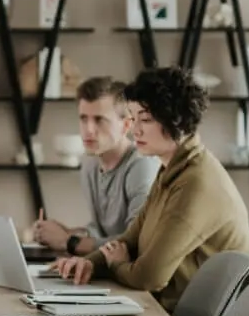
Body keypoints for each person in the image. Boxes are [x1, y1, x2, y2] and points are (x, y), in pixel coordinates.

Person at [57, 66, 249, 311]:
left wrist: (117, 264)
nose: (135, 129)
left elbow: (149, 277)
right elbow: (130, 239)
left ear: (176, 121)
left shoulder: (196, 183)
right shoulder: (173, 169)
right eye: (133, 117)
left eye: (146, 119)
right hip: (168, 308)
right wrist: (90, 263)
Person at [31, 76, 159, 255]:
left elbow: (135, 242)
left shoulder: (142, 166)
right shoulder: (90, 165)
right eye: (83, 119)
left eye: (99, 120)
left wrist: (67, 241)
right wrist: (66, 232)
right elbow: (104, 232)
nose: (88, 130)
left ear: (126, 125)